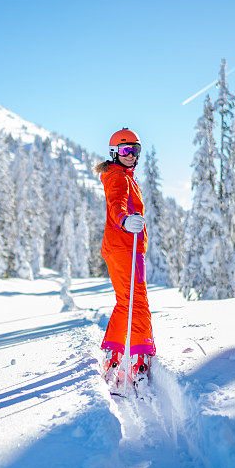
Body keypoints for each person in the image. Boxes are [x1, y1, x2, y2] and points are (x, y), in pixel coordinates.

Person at [95, 128, 155, 383]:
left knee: (127, 301)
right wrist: (124, 220)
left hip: (128, 248)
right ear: (114, 153)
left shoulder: (126, 176)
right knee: (137, 301)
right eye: (125, 150)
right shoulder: (117, 176)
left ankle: (113, 354)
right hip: (123, 248)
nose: (131, 155)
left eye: (135, 150)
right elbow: (116, 204)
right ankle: (140, 357)